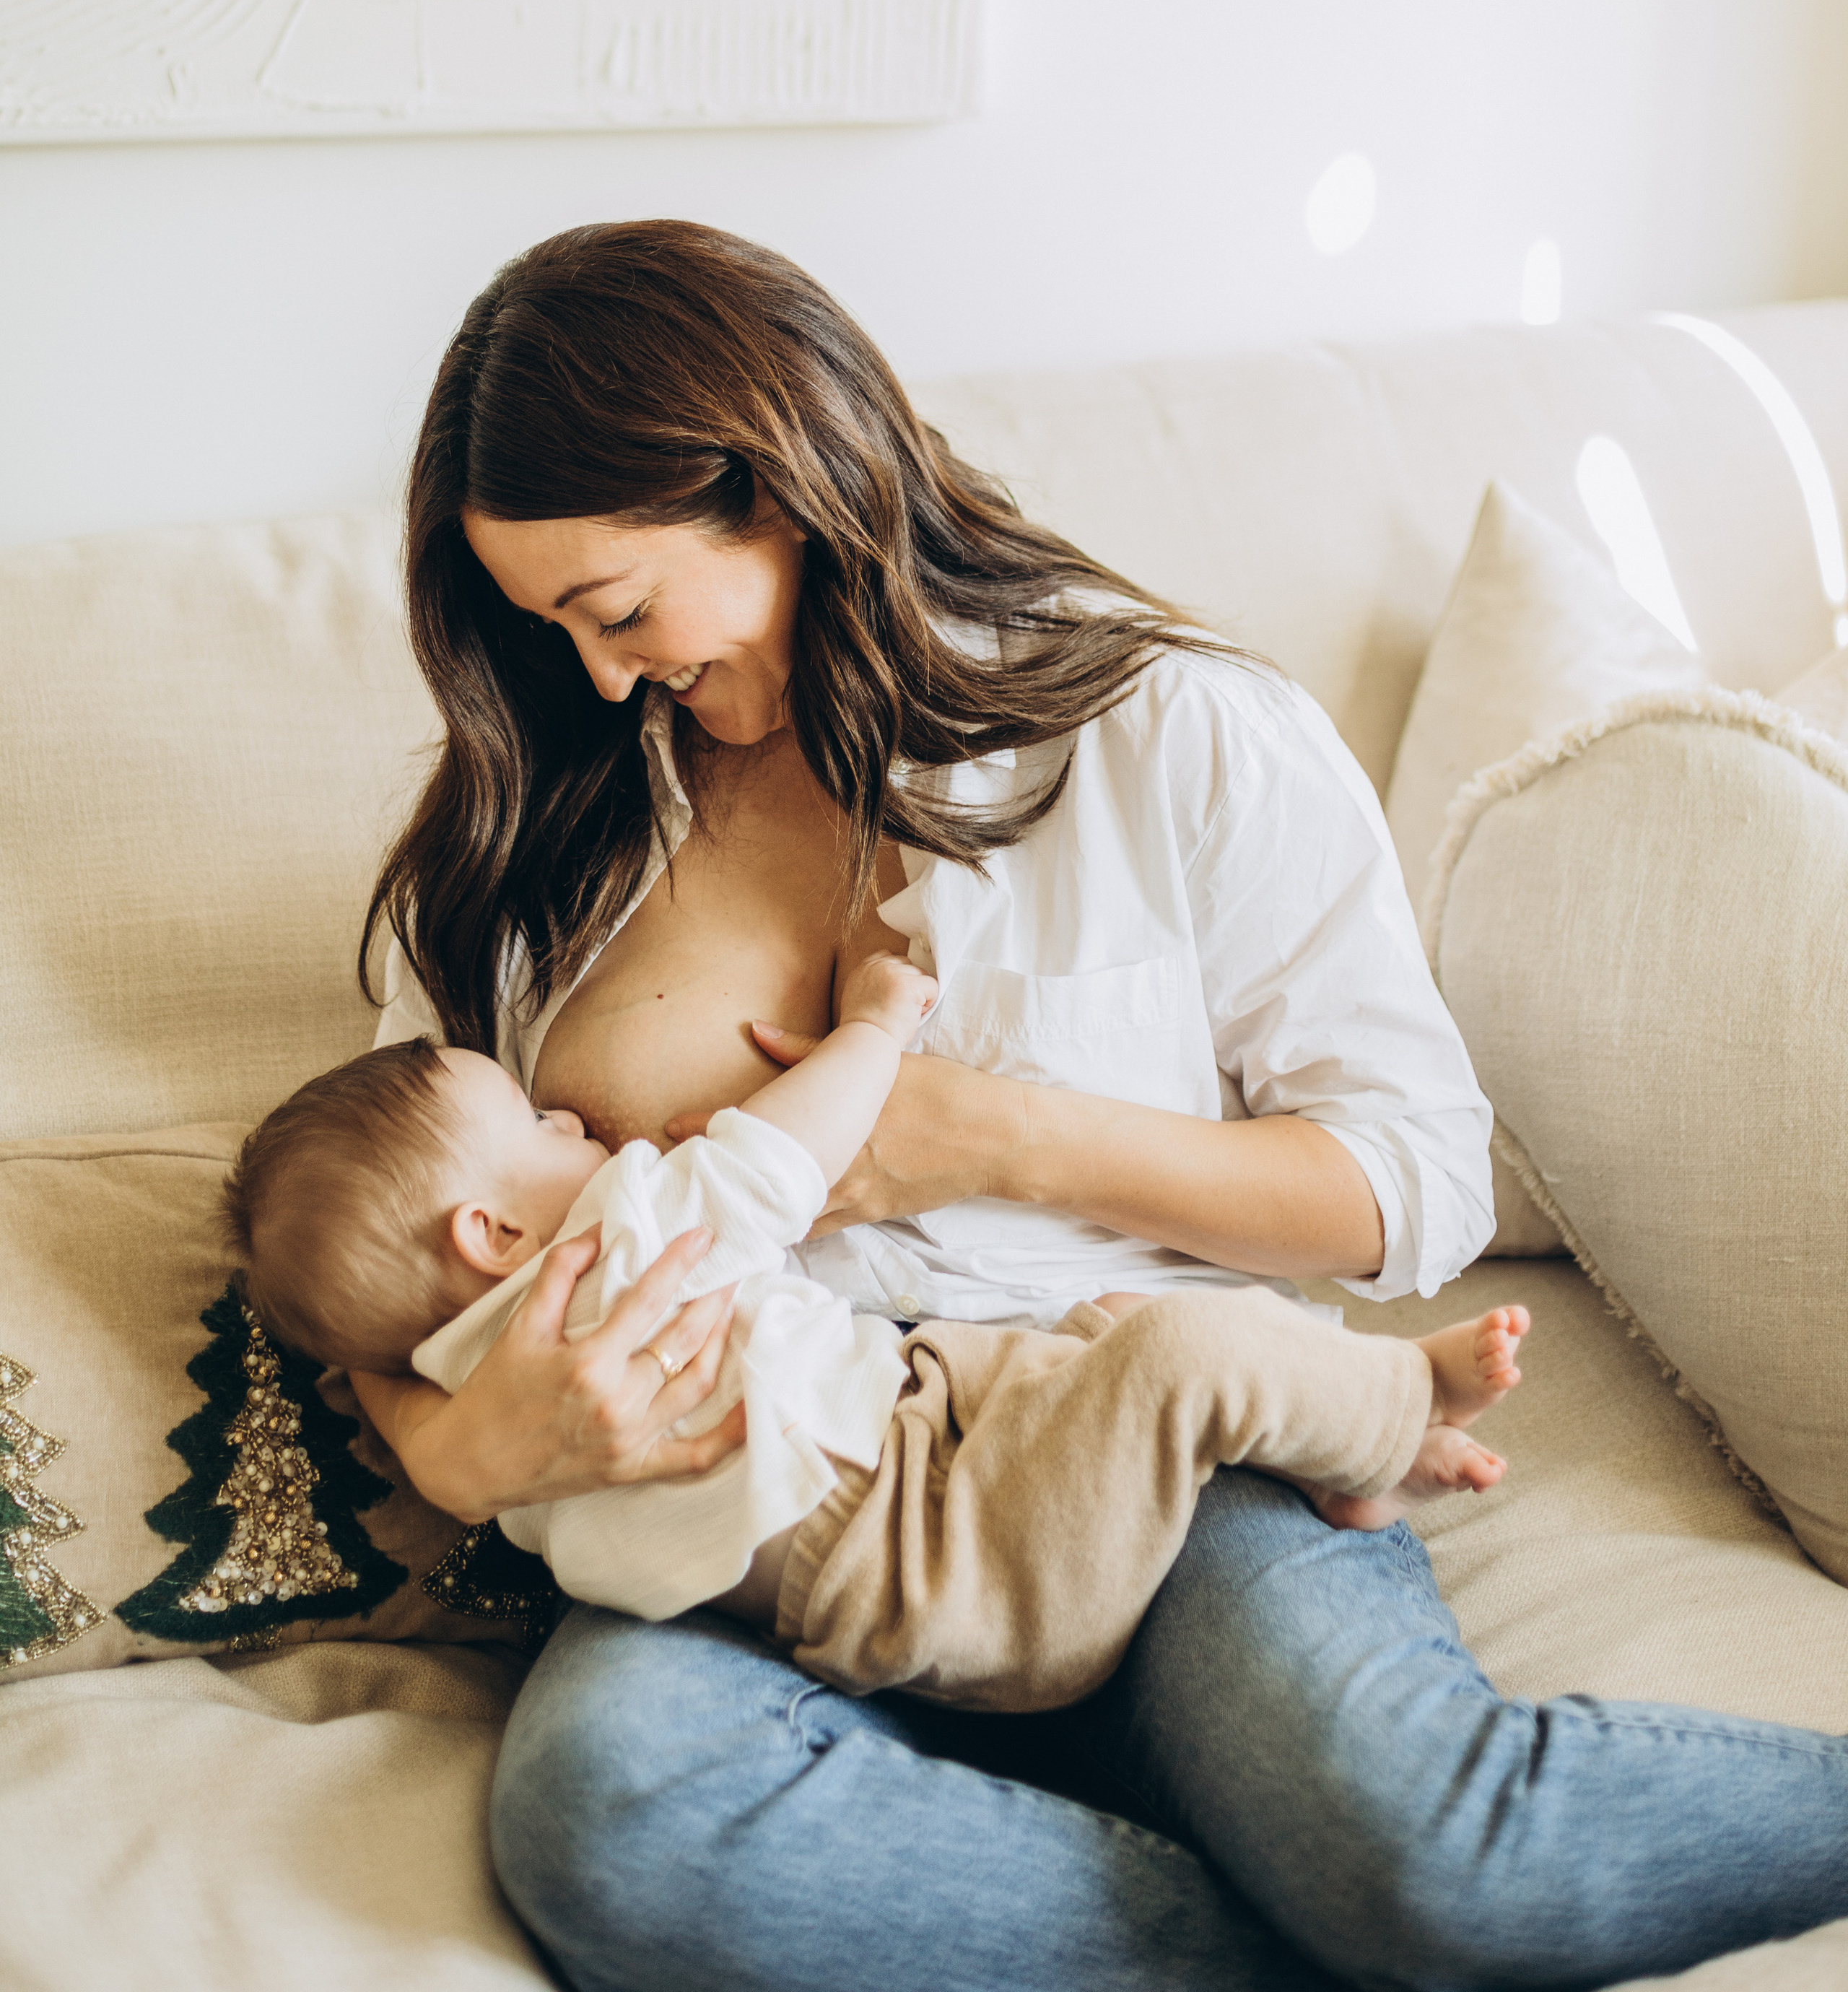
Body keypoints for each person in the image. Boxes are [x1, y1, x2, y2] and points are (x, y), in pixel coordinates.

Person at [351, 220, 1848, 1992]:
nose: (597, 677)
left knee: (1433, 1857)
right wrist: (454, 1448)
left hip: (1153, 1424)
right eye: (549, 632)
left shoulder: (1164, 732)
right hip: (751, 1512)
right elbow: (378, 1245)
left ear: (776, 487)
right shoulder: (528, 847)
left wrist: (987, 1138)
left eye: (616, 610)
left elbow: (1412, 1183)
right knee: (613, 1821)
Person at [225, 956, 1525, 1712]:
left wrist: (452, 1456)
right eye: (541, 1125)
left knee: (1110, 1334)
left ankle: (1303, 1448)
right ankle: (1394, 1409)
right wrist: (873, 1029)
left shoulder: (460, 1363)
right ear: (491, 1236)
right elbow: (774, 1162)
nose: (575, 1128)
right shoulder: (621, 1238)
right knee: (1179, 1351)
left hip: (858, 1558)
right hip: (932, 1551)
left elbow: (361, 1345)